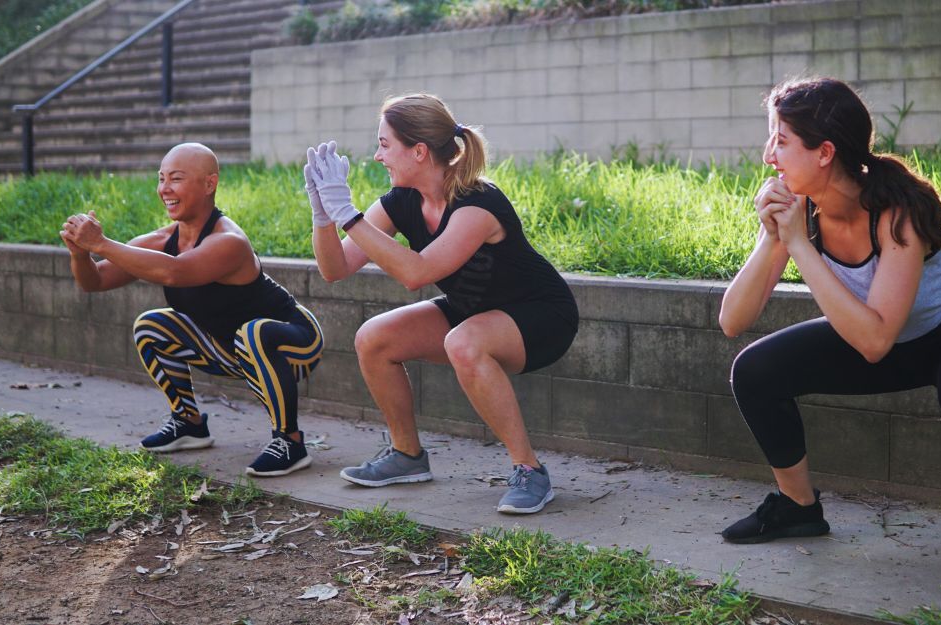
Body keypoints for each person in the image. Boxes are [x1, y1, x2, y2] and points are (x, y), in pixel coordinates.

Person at [717, 78, 941, 588]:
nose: (768, 156)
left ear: (825, 152)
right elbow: (732, 321)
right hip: (879, 337)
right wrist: (772, 237)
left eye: (781, 141)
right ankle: (798, 507)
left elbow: (874, 342)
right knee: (755, 370)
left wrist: (799, 246)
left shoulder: (898, 211)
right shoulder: (802, 209)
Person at [306, 94, 578, 515]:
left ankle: (529, 471)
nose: (377, 156)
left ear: (419, 151)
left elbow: (417, 273)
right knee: (374, 338)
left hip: (541, 315)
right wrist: (324, 215)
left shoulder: (478, 203)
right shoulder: (401, 200)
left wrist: (348, 214)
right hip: (472, 311)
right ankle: (406, 456)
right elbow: (334, 268)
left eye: (384, 145)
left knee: (463, 342)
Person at [60, 142, 324, 477]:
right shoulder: (163, 239)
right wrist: (80, 253)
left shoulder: (229, 241)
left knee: (254, 332)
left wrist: (101, 243)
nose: (164, 189)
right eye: (161, 178)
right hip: (230, 349)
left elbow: (175, 272)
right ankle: (189, 423)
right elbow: (95, 281)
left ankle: (290, 442)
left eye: (176, 178)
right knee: (151, 326)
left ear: (209, 184)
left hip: (293, 344)